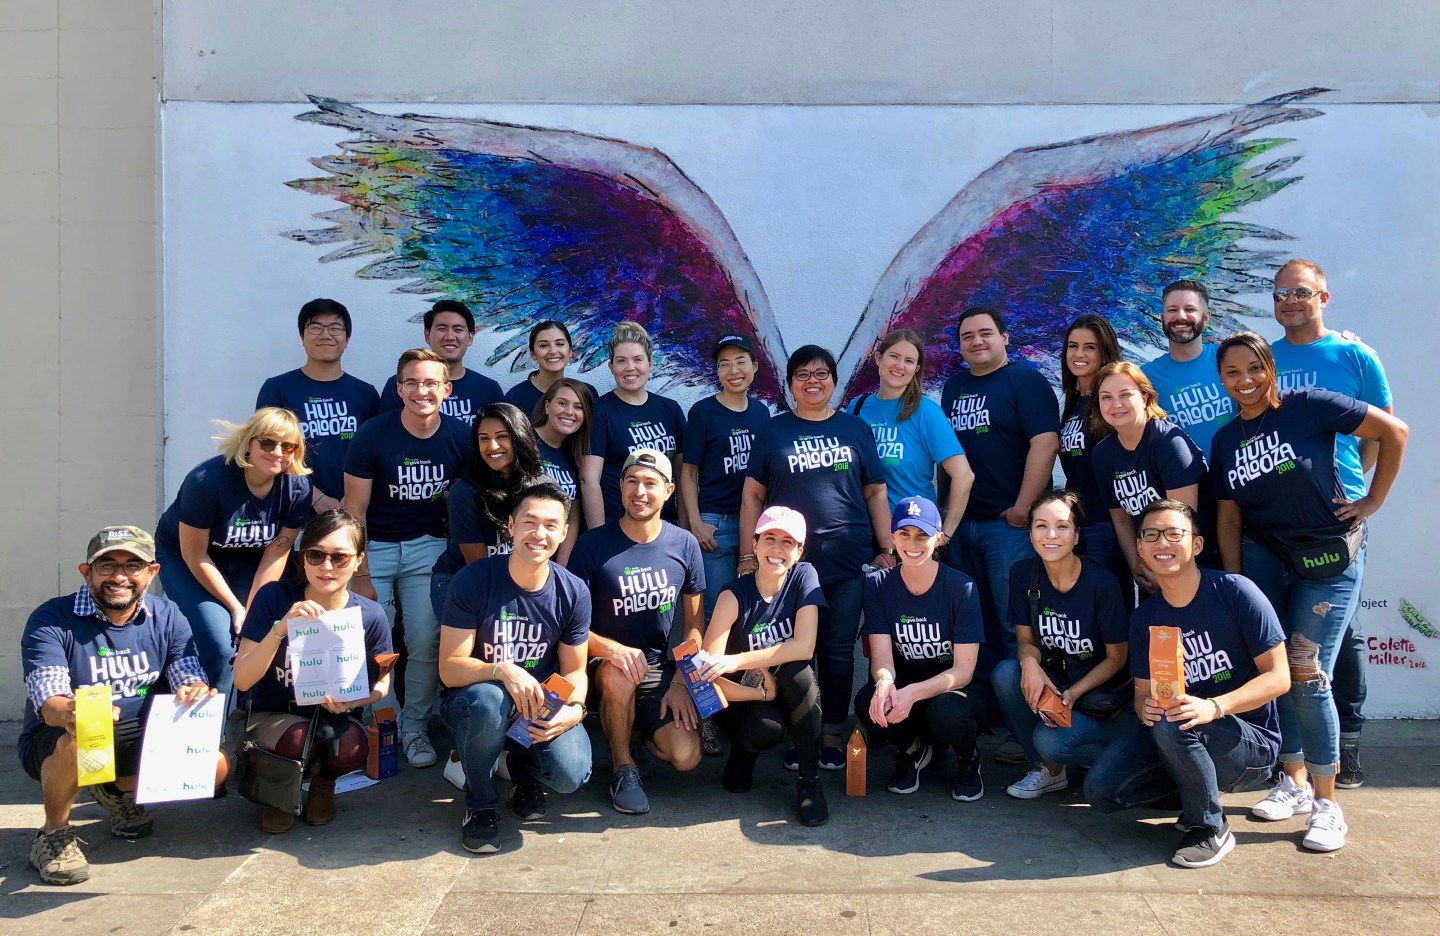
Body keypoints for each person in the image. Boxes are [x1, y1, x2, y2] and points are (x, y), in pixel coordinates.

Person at [1210, 332, 1407, 853]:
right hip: (1265, 560)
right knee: (1274, 670)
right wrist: (1236, 583)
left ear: (1270, 367)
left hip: (1327, 558)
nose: (1245, 380)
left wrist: (1371, 501)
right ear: (1222, 379)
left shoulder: (1309, 405)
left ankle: (1327, 803)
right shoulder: (1226, 440)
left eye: (1254, 367)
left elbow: (1394, 431)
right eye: (1232, 372)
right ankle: (1293, 781)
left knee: (1306, 672)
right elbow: (1229, 517)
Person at [1085, 500, 1289, 868]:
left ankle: (1210, 826)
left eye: (1173, 534)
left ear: (1196, 544)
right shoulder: (1145, 617)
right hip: (1177, 733)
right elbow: (1143, 694)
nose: (1162, 543)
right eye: (1151, 535)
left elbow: (1279, 677)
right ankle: (1195, 794)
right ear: (1140, 548)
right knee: (1102, 791)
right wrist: (1145, 706)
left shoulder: (1235, 591)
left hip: (1249, 742)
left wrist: (1214, 707)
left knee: (1176, 719)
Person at [21, 526, 226, 886]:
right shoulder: (52, 618)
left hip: (139, 732)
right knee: (83, 738)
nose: (120, 577)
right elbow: (49, 699)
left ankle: (117, 791)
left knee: (216, 765)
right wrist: (73, 713)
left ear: (152, 572)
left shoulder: (168, 615)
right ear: (87, 572)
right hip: (64, 737)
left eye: (133, 565)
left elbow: (187, 673)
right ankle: (54, 835)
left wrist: (194, 691)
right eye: (107, 566)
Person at [1268, 259, 1395, 789]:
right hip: (1275, 521)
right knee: (1288, 638)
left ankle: (1348, 745)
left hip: (1335, 522)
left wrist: (1364, 496)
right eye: (1280, 294)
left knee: (1339, 640)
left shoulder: (1354, 354)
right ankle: (1292, 760)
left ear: (1323, 297)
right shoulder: (1266, 358)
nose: (1289, 301)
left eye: (1300, 292)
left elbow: (1385, 428)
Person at [742, 345, 894, 770]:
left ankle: (831, 737)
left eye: (822, 373)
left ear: (834, 382)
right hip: (788, 566)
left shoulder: (855, 428)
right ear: (790, 384)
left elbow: (875, 492)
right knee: (796, 655)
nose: (813, 381)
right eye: (803, 374)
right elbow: (752, 495)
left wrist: (885, 549)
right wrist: (748, 555)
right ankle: (803, 736)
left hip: (847, 561)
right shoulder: (772, 431)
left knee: (838, 651)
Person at [438, 482, 592, 855]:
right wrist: (502, 670)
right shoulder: (473, 580)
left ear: (564, 533)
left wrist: (574, 710)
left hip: (538, 708)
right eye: (529, 522)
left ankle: (522, 771)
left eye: (551, 525)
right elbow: (450, 669)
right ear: (510, 526)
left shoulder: (573, 592)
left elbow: (575, 671)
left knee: (572, 772)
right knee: (489, 700)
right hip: (476, 702)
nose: (539, 534)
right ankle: (480, 804)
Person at [344, 348, 470, 769]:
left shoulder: (460, 436)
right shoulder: (372, 435)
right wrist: (360, 572)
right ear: (399, 389)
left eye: (431, 383)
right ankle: (381, 722)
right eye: (412, 382)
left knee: (426, 639)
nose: (421, 391)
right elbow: (354, 510)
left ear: (446, 389)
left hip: (428, 547)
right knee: (372, 643)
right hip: (375, 547)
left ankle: (415, 726)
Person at [233, 510, 393, 833]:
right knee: (297, 737)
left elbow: (383, 682)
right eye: (316, 555)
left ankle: (324, 782)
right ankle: (277, 795)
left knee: (352, 743)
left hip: (332, 716)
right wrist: (280, 629)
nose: (327, 567)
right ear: (302, 557)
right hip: (271, 715)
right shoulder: (274, 597)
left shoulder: (370, 615)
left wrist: (355, 702)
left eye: (339, 557)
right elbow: (242, 678)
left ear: (359, 561)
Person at [569, 449, 705, 814]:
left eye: (650, 483)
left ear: (669, 491)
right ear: (620, 486)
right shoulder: (592, 545)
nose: (639, 492)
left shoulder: (685, 544)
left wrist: (682, 682)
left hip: (657, 668)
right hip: (601, 666)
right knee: (620, 674)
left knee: (686, 757)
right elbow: (569, 626)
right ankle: (623, 768)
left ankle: (632, 728)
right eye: (631, 482)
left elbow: (694, 626)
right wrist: (612, 650)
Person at [156, 407, 313, 703]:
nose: (277, 452)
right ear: (248, 443)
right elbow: (195, 554)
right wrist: (235, 608)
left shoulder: (297, 487)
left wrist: (253, 611)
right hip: (188, 558)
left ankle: (245, 717)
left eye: (288, 446)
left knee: (255, 634)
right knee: (221, 644)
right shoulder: (206, 481)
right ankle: (213, 723)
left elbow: (277, 552)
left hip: (250, 558)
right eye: (267, 442)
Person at [694, 505, 829, 825]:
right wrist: (762, 695)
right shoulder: (733, 595)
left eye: (787, 542)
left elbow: (804, 646)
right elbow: (708, 680)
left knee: (800, 674)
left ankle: (809, 782)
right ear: (754, 544)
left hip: (786, 690)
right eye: (769, 539)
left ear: (799, 551)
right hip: (743, 698)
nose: (777, 549)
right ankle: (744, 749)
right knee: (766, 731)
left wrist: (737, 660)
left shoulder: (804, 577)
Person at [992, 490, 1131, 800]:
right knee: (1006, 674)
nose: (1051, 535)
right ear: (1030, 533)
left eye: (1062, 526)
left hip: (1099, 696)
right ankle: (1049, 770)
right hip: (1056, 683)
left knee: (1052, 741)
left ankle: (1112, 755)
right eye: (1041, 526)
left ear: (1076, 535)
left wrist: (1074, 693)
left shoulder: (1102, 584)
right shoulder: (1023, 574)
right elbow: (1025, 641)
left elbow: (1117, 658)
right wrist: (1030, 663)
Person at [940, 308, 1060, 660]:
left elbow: (1046, 444)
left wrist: (1023, 509)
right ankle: (980, 694)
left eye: (985, 333)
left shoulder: (1026, 381)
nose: (976, 341)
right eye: (967, 336)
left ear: (1004, 337)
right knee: (972, 625)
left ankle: (1017, 694)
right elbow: (946, 455)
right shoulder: (953, 387)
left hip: (1008, 529)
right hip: (962, 527)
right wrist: (945, 513)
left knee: (1015, 626)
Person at [855, 497, 986, 801]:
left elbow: (963, 672)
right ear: (892, 537)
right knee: (867, 701)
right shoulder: (878, 584)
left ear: (938, 539)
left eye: (921, 535)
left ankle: (968, 758)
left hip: (953, 692)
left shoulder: (961, 587)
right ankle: (914, 751)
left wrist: (913, 693)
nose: (912, 543)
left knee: (947, 711)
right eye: (904, 534)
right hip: (906, 686)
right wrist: (885, 681)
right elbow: (881, 656)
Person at [431, 402, 559, 622]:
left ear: (519, 437)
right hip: (465, 581)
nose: (492, 446)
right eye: (484, 438)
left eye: (502, 436)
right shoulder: (465, 492)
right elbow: (478, 567)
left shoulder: (543, 487)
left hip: (519, 582)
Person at [1090, 361, 1208, 595]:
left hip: (1195, 564)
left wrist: (1164, 574)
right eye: (1106, 397)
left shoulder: (1168, 443)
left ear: (1145, 397)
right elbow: (1121, 519)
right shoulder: (1102, 454)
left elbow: (1183, 522)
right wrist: (1138, 567)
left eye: (1125, 394)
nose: (1116, 404)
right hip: (1152, 564)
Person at [847, 328, 973, 545]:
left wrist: (945, 535)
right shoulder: (857, 407)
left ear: (916, 369)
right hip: (865, 534)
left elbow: (964, 475)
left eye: (909, 361)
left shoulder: (926, 412)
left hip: (912, 535)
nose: (900, 365)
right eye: (894, 356)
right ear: (878, 358)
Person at [256, 298, 380, 512]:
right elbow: (266, 452)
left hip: (353, 511)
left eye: (335, 328)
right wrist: (315, 497)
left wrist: (354, 498)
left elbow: (377, 454)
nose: (325, 335)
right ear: (302, 336)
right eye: (315, 327)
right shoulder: (277, 389)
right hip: (293, 510)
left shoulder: (365, 393)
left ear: (347, 338)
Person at [680, 333, 773, 619]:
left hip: (755, 524)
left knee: (754, 609)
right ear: (718, 371)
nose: (734, 371)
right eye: (725, 364)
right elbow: (688, 473)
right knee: (717, 612)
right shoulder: (703, 413)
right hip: (716, 525)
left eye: (741, 361)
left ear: (754, 365)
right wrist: (696, 524)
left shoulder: (761, 413)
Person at [582, 321, 687, 529]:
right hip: (616, 527)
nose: (630, 367)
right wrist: (598, 536)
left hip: (664, 527)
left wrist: (684, 529)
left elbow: (682, 477)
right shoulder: (600, 410)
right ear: (611, 367)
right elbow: (589, 479)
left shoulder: (670, 409)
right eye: (621, 361)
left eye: (638, 359)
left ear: (650, 364)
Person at [1056, 315, 1132, 591]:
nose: (1079, 354)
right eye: (1073, 346)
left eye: (1090, 347)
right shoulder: (1074, 403)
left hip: (1107, 525)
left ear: (1105, 352)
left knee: (1109, 606)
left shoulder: (1111, 403)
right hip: (1079, 523)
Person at [1141, 280, 1234, 457]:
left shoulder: (1228, 358)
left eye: (1189, 309)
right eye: (1172, 310)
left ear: (1206, 317)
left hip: (1238, 470)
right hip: (1184, 475)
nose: (1181, 316)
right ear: (1162, 318)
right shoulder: (1145, 378)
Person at [379, 299, 502, 425]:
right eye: (442, 329)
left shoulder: (489, 389)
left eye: (458, 329)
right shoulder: (400, 385)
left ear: (470, 338)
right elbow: (385, 432)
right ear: (427, 335)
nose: (449, 337)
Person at [532, 377, 593, 537]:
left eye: (578, 407)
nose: (569, 412)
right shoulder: (524, 441)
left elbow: (572, 517)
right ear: (547, 406)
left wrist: (564, 555)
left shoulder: (574, 455)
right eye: (562, 403)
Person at [502, 319, 599, 417]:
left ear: (570, 351)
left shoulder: (587, 393)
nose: (553, 351)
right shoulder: (515, 397)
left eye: (560, 344)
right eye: (543, 345)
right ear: (533, 354)